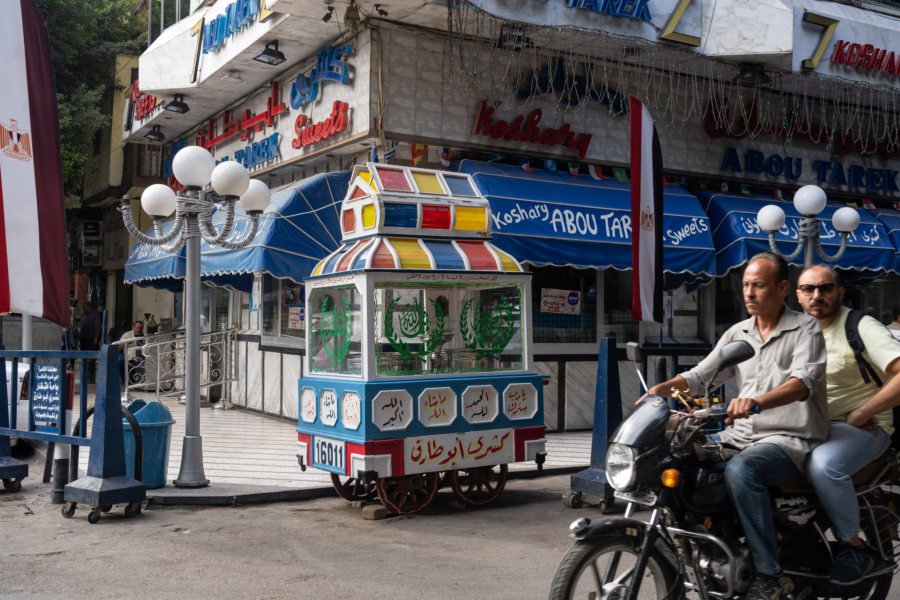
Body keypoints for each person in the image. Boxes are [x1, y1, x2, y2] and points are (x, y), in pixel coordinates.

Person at [646, 252, 827, 600]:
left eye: (758, 285)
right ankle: (707, 549)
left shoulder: (805, 328)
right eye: (745, 285)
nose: (749, 292)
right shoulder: (739, 332)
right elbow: (702, 376)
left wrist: (757, 401)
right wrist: (661, 390)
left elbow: (803, 382)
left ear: (782, 288)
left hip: (789, 439)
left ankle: (769, 574)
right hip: (739, 436)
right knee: (684, 465)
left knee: (742, 472)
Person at [795, 265, 900, 584]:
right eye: (808, 289)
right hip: (810, 428)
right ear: (798, 296)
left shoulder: (861, 325)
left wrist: (861, 411)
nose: (817, 295)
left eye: (825, 288)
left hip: (864, 430)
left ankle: (852, 545)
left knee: (825, 466)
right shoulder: (795, 331)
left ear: (840, 292)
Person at [78, 302, 102, 383]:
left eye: (84, 307)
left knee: (91, 360)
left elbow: (98, 326)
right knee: (84, 358)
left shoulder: (95, 315)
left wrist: (96, 337)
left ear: (88, 307)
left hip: (91, 340)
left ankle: (91, 378)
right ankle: (85, 377)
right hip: (84, 340)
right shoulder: (85, 316)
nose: (83, 309)